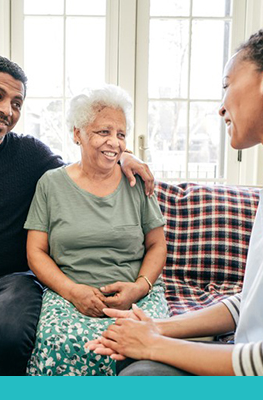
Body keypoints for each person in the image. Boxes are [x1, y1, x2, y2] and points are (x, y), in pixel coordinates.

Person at [86, 5, 263, 376]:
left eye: (227, 85)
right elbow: (250, 304)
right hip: (253, 355)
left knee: (142, 373)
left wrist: (153, 342)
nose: (221, 107)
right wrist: (154, 327)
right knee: (134, 358)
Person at [0, 56, 156, 376]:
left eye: (17, 102)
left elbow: (83, 169)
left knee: (8, 338)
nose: (7, 110)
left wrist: (124, 156)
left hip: (11, 281)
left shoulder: (30, 154)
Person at [24, 85, 169, 376]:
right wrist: (73, 291)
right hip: (69, 295)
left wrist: (138, 288)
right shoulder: (51, 184)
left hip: (136, 293)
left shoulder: (137, 181)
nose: (114, 143)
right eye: (103, 132)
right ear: (77, 133)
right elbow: (35, 252)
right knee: (59, 342)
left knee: (145, 349)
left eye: (121, 134)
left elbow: (157, 245)